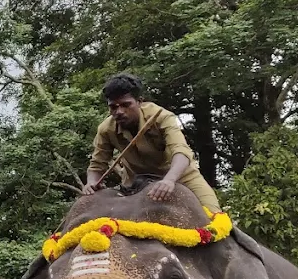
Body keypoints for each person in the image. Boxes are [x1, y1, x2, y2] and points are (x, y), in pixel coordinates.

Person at [84, 73, 223, 211]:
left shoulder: (162, 117)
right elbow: (97, 164)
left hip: (180, 177)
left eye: (126, 105)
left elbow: (181, 150)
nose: (119, 111)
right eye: (113, 107)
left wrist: (169, 180)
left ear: (139, 101)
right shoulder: (105, 129)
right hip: (135, 183)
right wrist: (91, 183)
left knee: (215, 216)